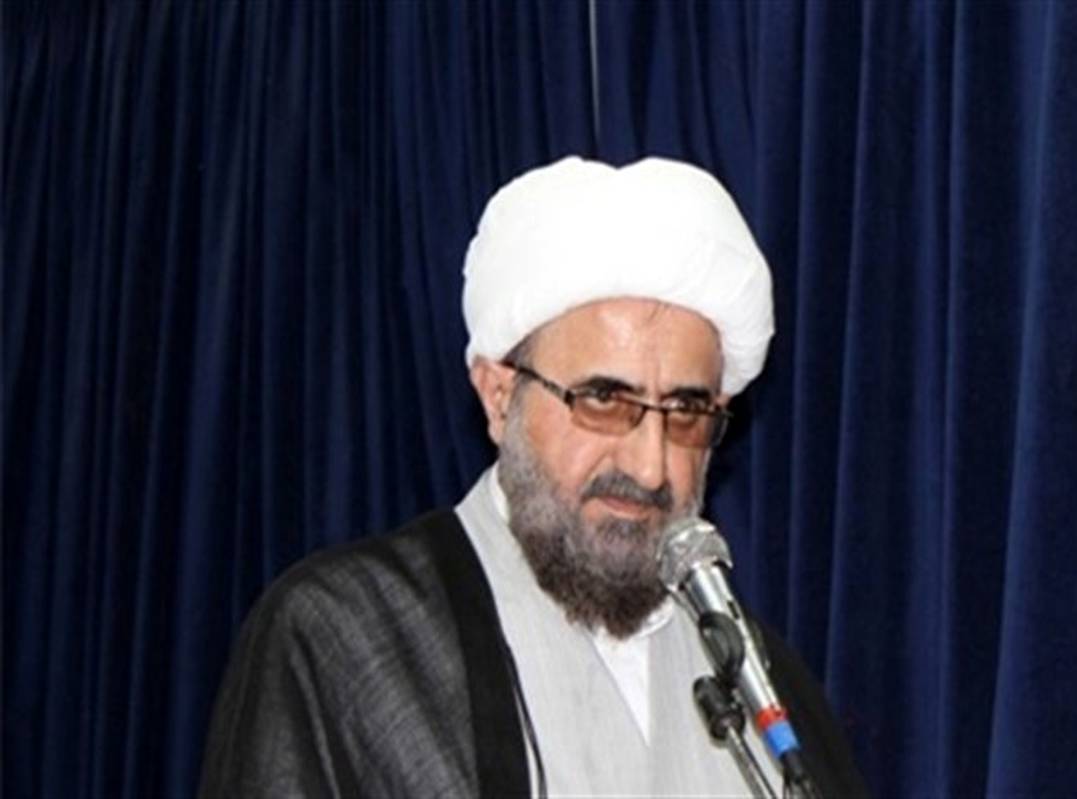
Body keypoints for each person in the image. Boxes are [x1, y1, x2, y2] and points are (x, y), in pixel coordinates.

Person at [199, 156, 867, 797]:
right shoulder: (349, 640)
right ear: (499, 396)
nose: (650, 465)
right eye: (603, 400)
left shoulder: (768, 690)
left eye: (686, 412)